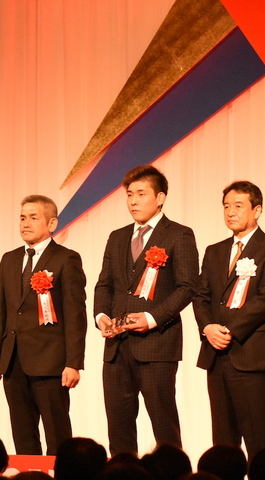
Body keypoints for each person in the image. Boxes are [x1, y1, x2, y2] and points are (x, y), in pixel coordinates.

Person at [94, 164, 199, 455]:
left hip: (157, 345)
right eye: (129, 194)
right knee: (119, 428)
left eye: (141, 194)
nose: (133, 201)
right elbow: (104, 284)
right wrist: (101, 316)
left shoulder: (178, 235)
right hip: (117, 347)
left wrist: (152, 318)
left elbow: (188, 286)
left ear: (160, 197)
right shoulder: (117, 236)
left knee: (164, 427)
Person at [193, 180, 265, 460]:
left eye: (238, 206)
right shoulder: (214, 251)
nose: (230, 212)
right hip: (216, 354)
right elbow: (201, 295)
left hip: (251, 354)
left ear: (256, 210)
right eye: (226, 206)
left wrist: (229, 330)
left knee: (258, 438)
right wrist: (208, 327)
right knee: (223, 442)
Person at [0, 195, 87, 455]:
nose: (26, 223)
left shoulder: (66, 259)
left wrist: (73, 363)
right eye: (22, 218)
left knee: (57, 434)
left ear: (52, 223)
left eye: (33, 217)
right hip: (13, 361)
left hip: (50, 362)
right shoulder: (9, 259)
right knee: (23, 435)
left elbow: (75, 315)